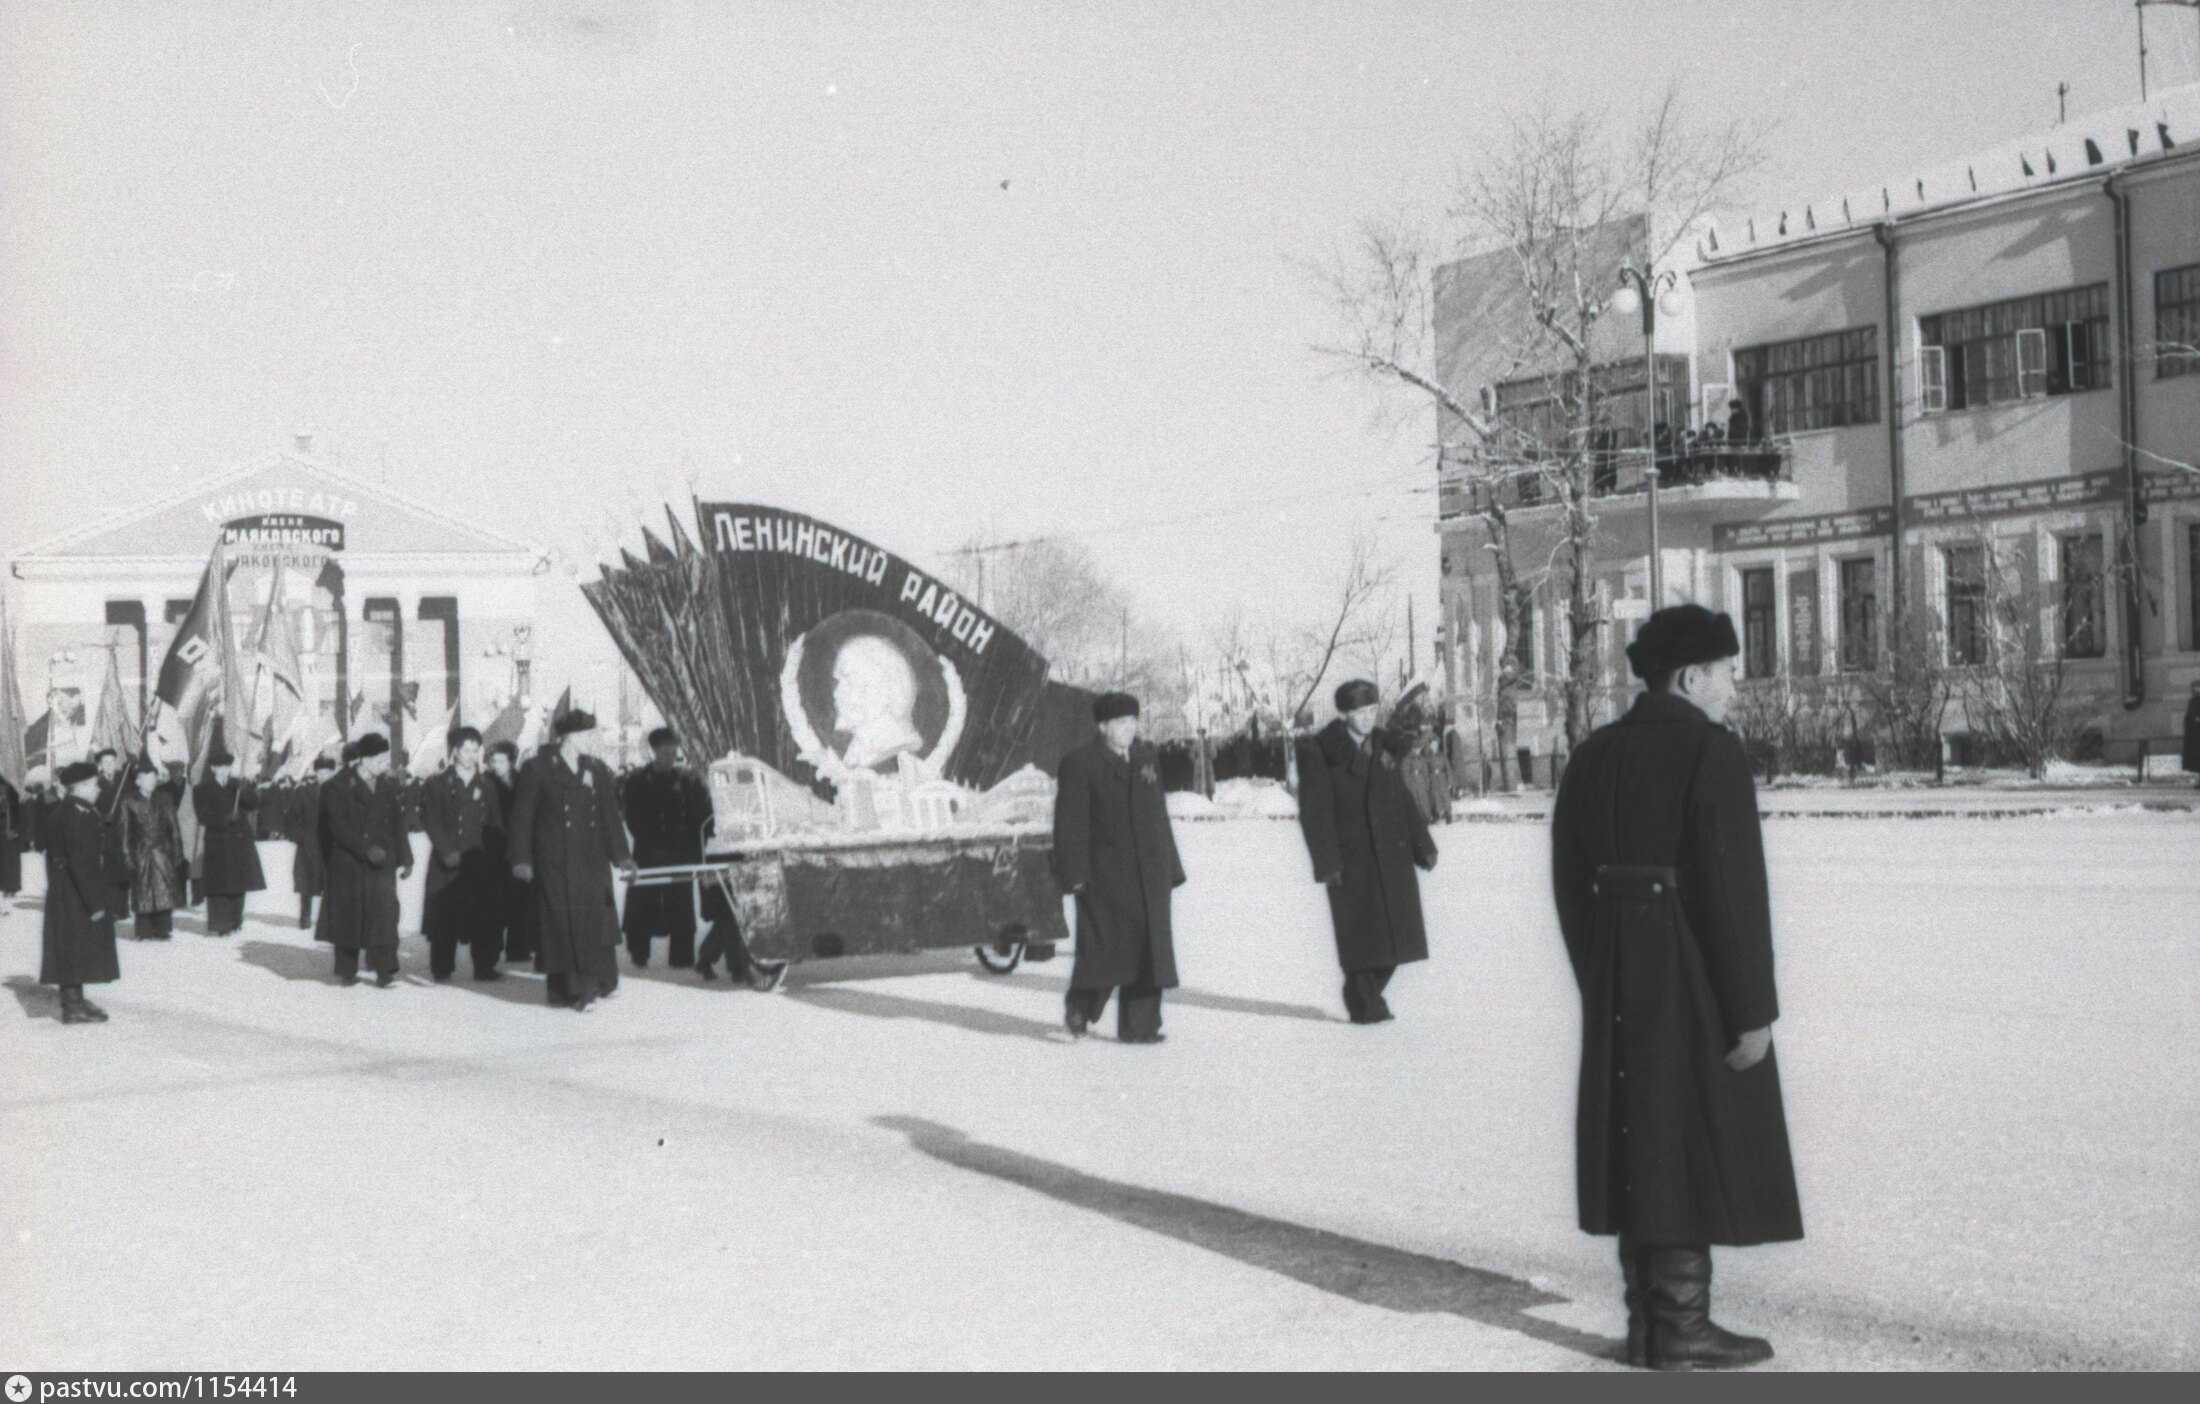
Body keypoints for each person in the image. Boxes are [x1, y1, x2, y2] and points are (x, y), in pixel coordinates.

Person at [1548, 603, 1801, 1371]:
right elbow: (1731, 891)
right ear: (1690, 678)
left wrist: (1600, 972)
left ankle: (1649, 1327)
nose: (1733, 688)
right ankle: (1681, 1327)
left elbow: (1568, 883)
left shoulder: (1592, 754)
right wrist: (1751, 1012)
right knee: (1685, 1134)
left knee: (1639, 1130)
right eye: (1727, 672)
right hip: (1691, 971)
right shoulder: (1709, 750)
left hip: (1619, 972)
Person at [1295, 680, 1439, 1025]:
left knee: (1395, 938)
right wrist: (1327, 861)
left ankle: (1365, 997)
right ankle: (1364, 1004)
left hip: (1391, 855)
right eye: (1360, 712)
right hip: (1352, 859)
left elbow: (1401, 797)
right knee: (1362, 939)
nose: (1368, 718)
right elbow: (1315, 811)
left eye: (1373, 710)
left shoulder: (1385, 747)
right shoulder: (1322, 752)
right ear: (1345, 714)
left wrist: (1422, 844)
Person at [1051, 691, 1184, 1044]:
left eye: (1133, 721)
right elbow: (1070, 824)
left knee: (1149, 949)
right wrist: (1075, 874)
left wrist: (1171, 866)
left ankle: (1141, 1027)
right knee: (1105, 948)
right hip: (1105, 875)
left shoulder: (1146, 758)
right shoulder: (1080, 763)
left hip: (1150, 871)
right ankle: (1080, 1008)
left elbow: (1159, 815)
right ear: (1103, 726)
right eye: (1122, 723)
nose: (1130, 729)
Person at [508, 711, 635, 1012]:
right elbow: (522, 818)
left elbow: (609, 816)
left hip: (592, 860)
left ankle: (586, 985)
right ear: (569, 737)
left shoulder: (596, 769)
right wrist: (521, 859)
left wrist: (622, 856)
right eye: (588, 735)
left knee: (591, 921)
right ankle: (572, 988)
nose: (593, 740)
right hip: (554, 861)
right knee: (561, 926)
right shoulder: (537, 768)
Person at [317, 734, 412, 987]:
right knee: (349, 917)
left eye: (385, 759)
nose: (385, 764)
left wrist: (406, 858)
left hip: (382, 863)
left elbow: (398, 824)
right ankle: (347, 970)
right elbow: (337, 826)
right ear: (365, 759)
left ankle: (385, 970)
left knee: (385, 916)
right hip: (350, 862)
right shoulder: (336, 786)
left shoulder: (387, 787)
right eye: (380, 760)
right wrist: (366, 849)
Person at [619, 726, 711, 970]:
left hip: (679, 852)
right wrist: (652, 845)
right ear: (654, 751)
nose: (671, 757)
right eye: (666, 752)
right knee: (642, 903)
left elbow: (696, 817)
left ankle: (682, 956)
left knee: (680, 903)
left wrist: (694, 851)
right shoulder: (638, 781)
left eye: (674, 752)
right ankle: (639, 952)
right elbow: (633, 818)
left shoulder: (686, 780)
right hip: (648, 852)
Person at [421, 726, 506, 982]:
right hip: (448, 860)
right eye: (466, 750)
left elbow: (495, 822)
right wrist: (446, 851)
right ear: (455, 751)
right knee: (444, 914)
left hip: (480, 859)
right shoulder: (437, 783)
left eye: (475, 750)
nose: (471, 755)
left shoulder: (487, 785)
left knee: (483, 913)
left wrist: (498, 854)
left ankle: (484, 965)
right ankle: (442, 966)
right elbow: (431, 819)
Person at [41, 760, 122, 1024]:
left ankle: (74, 998)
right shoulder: (78, 816)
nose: (98, 789)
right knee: (74, 945)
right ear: (80, 787)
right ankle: (73, 1006)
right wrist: (96, 904)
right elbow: (81, 862)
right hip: (76, 891)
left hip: (65, 887)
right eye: (94, 785)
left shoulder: (66, 811)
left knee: (71, 945)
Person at [192, 740, 265, 935]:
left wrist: (245, 789)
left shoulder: (236, 787)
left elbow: (254, 803)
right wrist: (224, 819)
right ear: (213, 769)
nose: (225, 770)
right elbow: (203, 816)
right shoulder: (202, 789)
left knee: (238, 885)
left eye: (227, 766)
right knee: (219, 886)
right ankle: (221, 924)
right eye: (221, 767)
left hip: (239, 844)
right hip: (218, 843)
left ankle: (236, 921)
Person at [119, 763, 185, 941]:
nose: (152, 782)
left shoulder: (165, 798)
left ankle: (164, 928)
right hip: (141, 852)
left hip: (162, 851)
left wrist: (177, 851)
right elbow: (125, 832)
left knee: (164, 890)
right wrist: (128, 857)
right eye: (147, 778)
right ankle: (144, 930)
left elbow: (174, 827)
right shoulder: (128, 801)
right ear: (138, 781)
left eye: (154, 778)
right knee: (143, 891)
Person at [485, 740, 534, 966]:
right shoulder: (486, 782)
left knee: (521, 897)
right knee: (495, 901)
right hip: (494, 847)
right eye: (493, 761)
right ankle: (492, 949)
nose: (496, 765)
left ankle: (518, 948)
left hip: (519, 846)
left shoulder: (523, 782)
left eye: (501, 761)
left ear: (512, 762)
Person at [289, 753, 338, 928]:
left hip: (334, 845)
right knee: (307, 884)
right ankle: (305, 916)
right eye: (320, 773)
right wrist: (300, 837)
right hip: (309, 845)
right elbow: (291, 819)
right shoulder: (303, 792)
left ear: (333, 773)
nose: (324, 776)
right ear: (316, 774)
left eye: (327, 773)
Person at [0, 768, 23, 910]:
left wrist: (14, 829)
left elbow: (12, 810)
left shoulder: (8, 790)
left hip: (8, 829)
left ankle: (10, 887)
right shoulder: (9, 789)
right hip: (7, 828)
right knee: (7, 861)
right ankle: (7, 886)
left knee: (9, 860)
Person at [2182, 681, 2200, 789]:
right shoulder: (2192, 701)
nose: (2194, 691)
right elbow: (2189, 716)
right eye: (2193, 688)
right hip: (2195, 734)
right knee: (2197, 760)